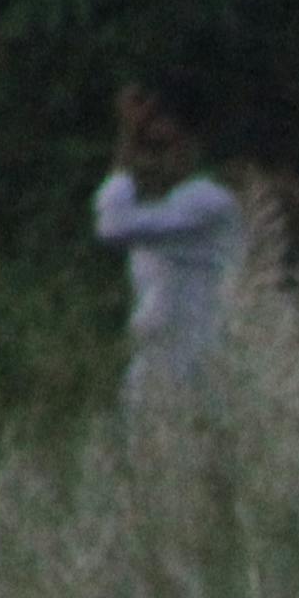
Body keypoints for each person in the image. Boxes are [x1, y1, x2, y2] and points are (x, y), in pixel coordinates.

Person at [98, 85, 246, 404]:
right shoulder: (167, 211)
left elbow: (112, 224)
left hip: (197, 379)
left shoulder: (207, 202)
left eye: (161, 147)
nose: (150, 160)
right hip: (156, 376)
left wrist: (126, 139)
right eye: (146, 149)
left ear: (190, 145)